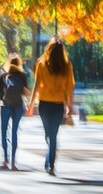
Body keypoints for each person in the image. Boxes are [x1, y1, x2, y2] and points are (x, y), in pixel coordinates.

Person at [26, 38, 75, 177]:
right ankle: (50, 159)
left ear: (49, 49)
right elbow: (69, 88)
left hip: (45, 105)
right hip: (57, 105)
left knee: (50, 134)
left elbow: (36, 86)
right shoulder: (66, 66)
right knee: (51, 135)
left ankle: (51, 163)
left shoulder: (42, 64)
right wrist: (69, 105)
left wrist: (31, 105)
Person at [0, 55, 30, 170]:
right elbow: (26, 92)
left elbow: (1, 94)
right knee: (14, 132)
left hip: (5, 106)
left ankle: (5, 159)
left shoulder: (3, 76)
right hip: (18, 106)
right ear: (19, 64)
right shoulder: (22, 75)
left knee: (4, 132)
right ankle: (13, 162)